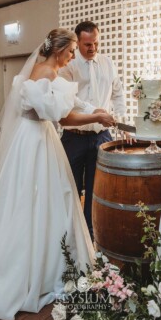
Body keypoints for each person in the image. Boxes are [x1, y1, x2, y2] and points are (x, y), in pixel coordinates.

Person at [0, 28, 115, 320]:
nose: (72, 57)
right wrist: (97, 116)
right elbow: (63, 117)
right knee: (45, 199)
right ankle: (35, 266)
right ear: (59, 51)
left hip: (30, 141)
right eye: (70, 52)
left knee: (28, 200)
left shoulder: (37, 71)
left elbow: (70, 105)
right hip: (38, 142)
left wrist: (96, 109)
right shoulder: (47, 74)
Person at [59, 20, 127, 239]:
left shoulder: (108, 63)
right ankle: (69, 234)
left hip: (102, 136)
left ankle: (89, 234)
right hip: (74, 137)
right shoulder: (68, 65)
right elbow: (70, 100)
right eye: (87, 44)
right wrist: (96, 112)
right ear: (77, 42)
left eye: (96, 43)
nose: (93, 48)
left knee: (96, 190)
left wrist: (120, 119)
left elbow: (117, 92)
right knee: (71, 188)